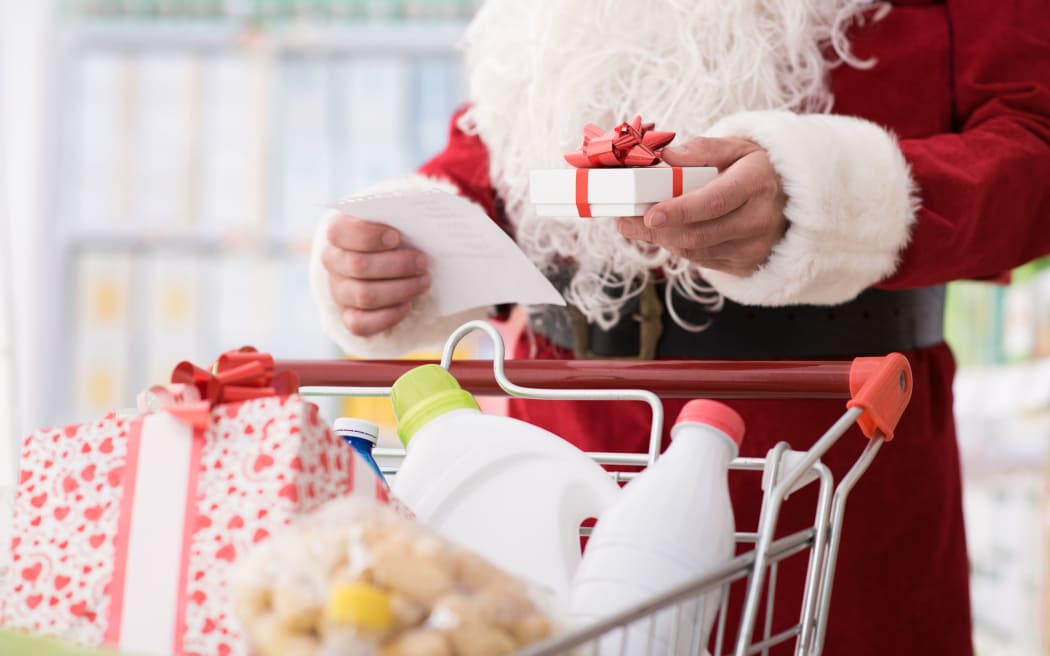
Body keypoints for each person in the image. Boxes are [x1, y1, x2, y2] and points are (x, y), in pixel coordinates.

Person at [310, 1, 1050, 653]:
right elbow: (504, 131)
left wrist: (822, 197)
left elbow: (1034, 142)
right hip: (556, 439)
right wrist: (398, 255)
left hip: (828, 457)